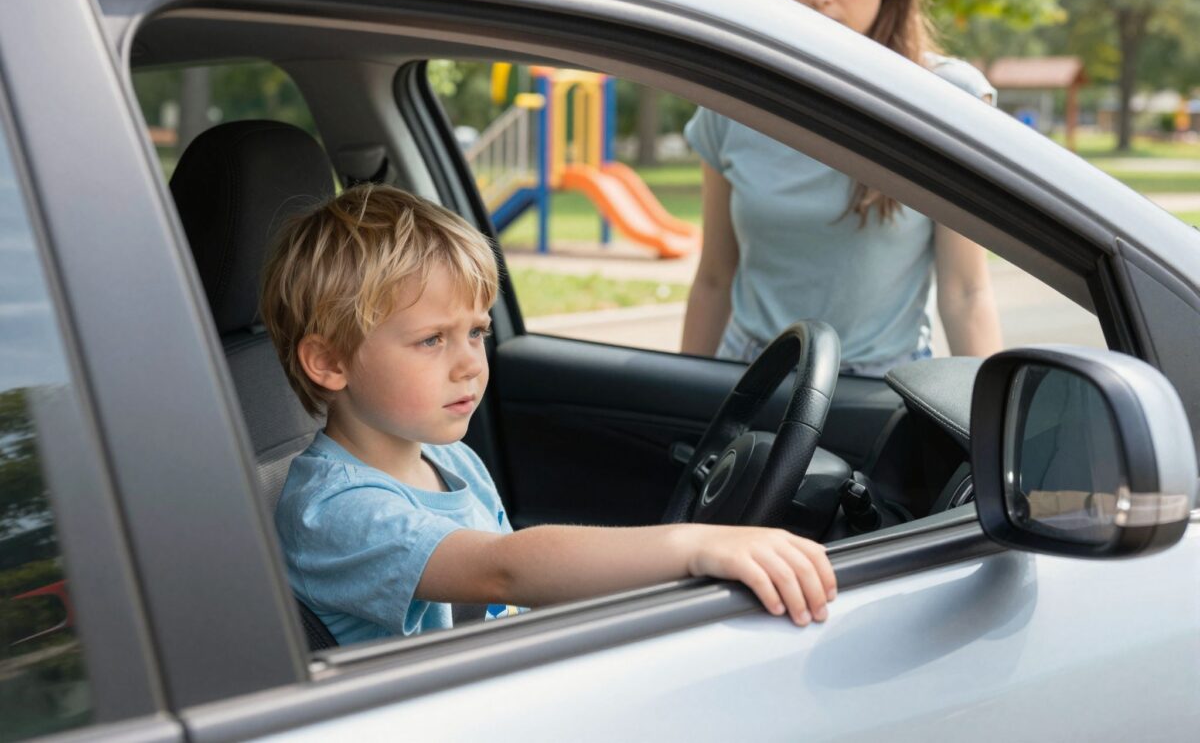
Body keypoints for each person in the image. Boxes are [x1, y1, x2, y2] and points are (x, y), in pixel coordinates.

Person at [261, 184, 836, 644]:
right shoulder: (332, 511)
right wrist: (692, 546)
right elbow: (502, 570)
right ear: (329, 362)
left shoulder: (446, 456)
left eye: (477, 332)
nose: (469, 365)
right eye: (433, 340)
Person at [681, 0, 1003, 375]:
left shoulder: (949, 102)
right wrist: (679, 403)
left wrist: (996, 430)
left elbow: (965, 293)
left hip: (879, 400)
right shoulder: (731, 101)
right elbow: (715, 278)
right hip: (746, 390)